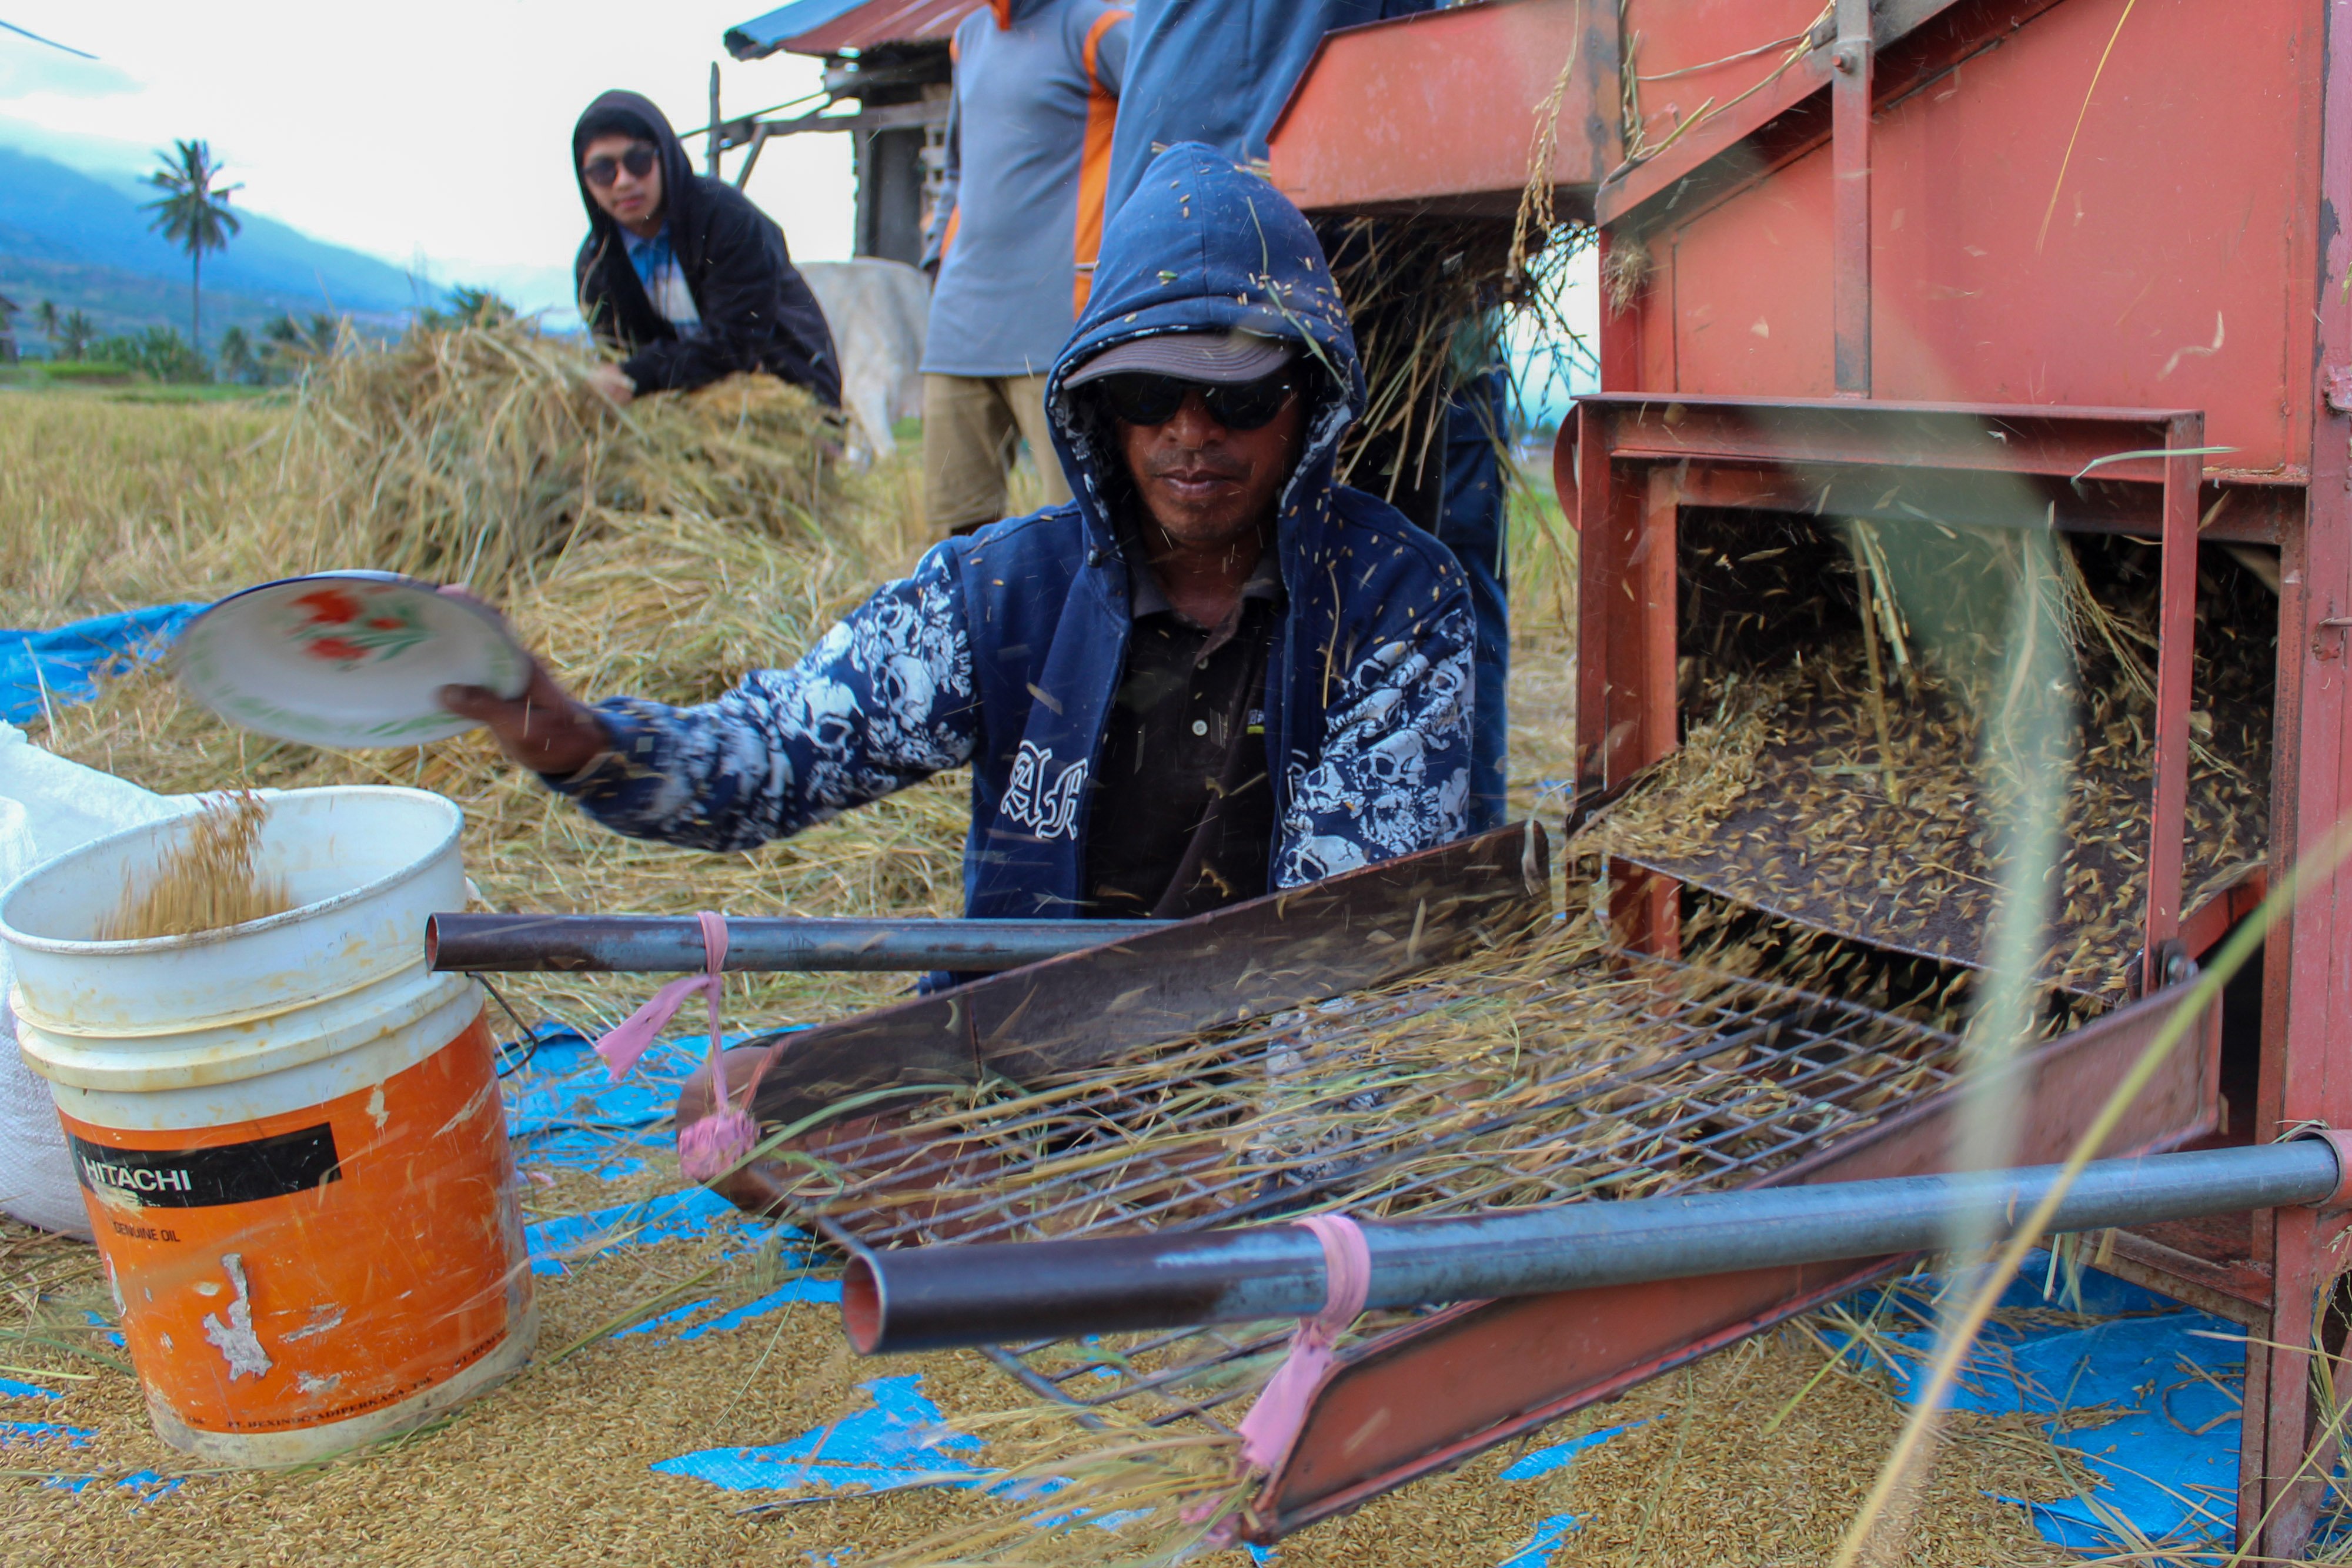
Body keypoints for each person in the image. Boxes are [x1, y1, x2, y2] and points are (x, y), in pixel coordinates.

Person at [444, 143, 1474, 940]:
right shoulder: (997, 592)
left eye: (1238, 391)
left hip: (1265, 1069)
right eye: (1149, 389)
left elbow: (1340, 942)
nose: (1190, 429)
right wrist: (583, 741)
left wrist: (1235, 1183)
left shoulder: (1393, 600)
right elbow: (783, 752)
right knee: (749, 1113)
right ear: (1096, 407)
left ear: (1312, 398)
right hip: (1026, 1054)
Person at [1104, 1, 1514, 830]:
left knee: (1384, 587)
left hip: (1313, 218)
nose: (1190, 424)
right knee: (1384, 584)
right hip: (1355, 225)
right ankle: (1378, 863)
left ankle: (1407, 855)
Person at [918, 0, 1133, 540]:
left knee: (1084, 531)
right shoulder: (968, 37)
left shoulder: (1099, 27)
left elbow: (1174, 122)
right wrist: (935, 258)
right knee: (953, 536)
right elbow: (956, 169)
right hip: (960, 325)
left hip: (1060, 324)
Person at [571, 89, 841, 408]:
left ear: (664, 155)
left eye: (639, 161)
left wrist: (640, 375)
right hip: (678, 409)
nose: (624, 181)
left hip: (785, 392)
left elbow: (738, 339)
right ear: (585, 181)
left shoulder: (726, 219)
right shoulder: (597, 265)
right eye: (604, 171)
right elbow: (619, 357)